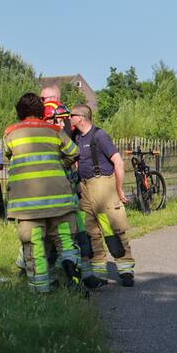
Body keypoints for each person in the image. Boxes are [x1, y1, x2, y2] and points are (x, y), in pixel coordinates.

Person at [4, 93, 90, 294]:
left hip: (28, 205)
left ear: (20, 111)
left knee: (34, 247)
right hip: (59, 200)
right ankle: (73, 275)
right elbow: (74, 152)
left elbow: (10, 154)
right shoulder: (54, 130)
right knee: (65, 242)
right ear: (41, 112)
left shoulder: (11, 133)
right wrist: (61, 164)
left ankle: (41, 290)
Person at [70, 104, 138, 287]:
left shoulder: (100, 135)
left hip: (103, 188)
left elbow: (118, 162)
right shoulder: (75, 137)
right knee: (90, 233)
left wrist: (119, 188)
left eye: (71, 115)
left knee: (114, 229)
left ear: (80, 118)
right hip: (85, 189)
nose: (69, 118)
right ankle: (100, 274)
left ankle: (126, 271)